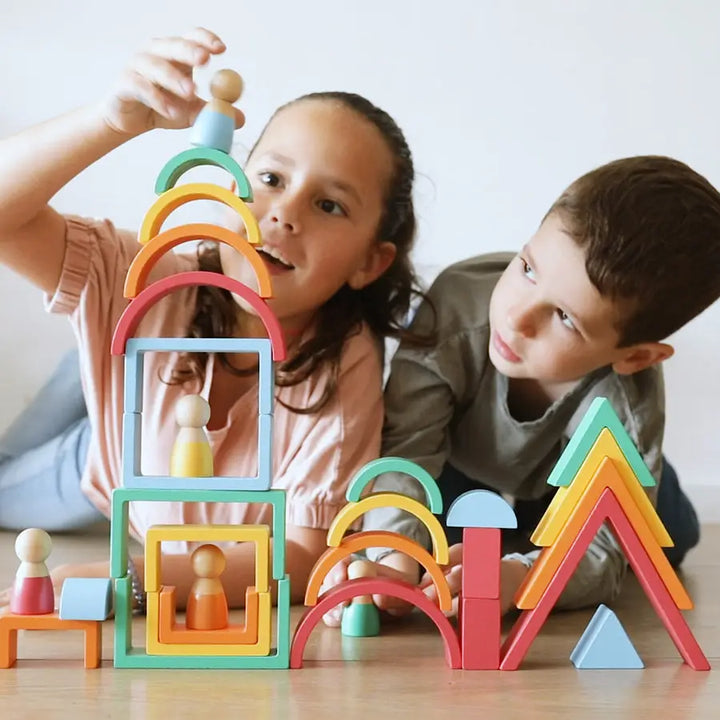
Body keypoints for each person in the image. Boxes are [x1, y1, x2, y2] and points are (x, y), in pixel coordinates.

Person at [0, 27, 426, 609]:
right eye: (271, 179)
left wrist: (129, 577)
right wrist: (109, 120)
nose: (283, 214)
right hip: (123, 427)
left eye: (329, 205)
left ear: (370, 262)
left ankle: (90, 352)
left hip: (145, 427)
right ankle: (87, 356)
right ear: (232, 188)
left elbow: (300, 557)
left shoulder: (343, 358)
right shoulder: (154, 277)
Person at [323, 154, 714, 625]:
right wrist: (393, 550)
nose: (516, 318)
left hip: (561, 479)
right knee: (440, 540)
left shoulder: (626, 400)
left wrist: (523, 579)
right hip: (455, 454)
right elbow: (407, 452)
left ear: (634, 357)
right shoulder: (455, 311)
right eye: (528, 268)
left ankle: (601, 505)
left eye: (565, 318)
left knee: (665, 539)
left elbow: (608, 547)